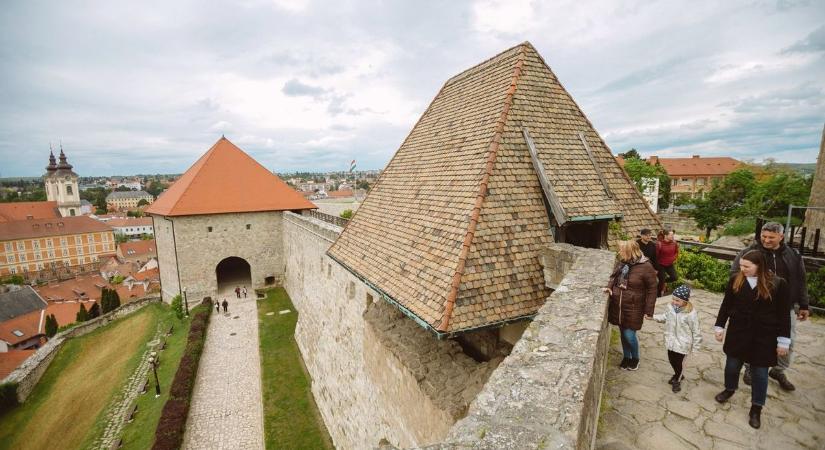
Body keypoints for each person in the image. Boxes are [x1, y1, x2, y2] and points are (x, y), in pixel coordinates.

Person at [714, 250, 791, 429]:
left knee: (760, 374)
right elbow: (726, 304)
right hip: (738, 331)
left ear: (760, 266)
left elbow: (783, 315)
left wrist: (783, 341)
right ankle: (729, 389)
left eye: (747, 266)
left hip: (764, 336)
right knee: (732, 366)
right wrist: (719, 327)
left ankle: (756, 407)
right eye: (741, 265)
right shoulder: (736, 279)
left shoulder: (778, 284)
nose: (743, 269)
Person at [732, 221, 809, 391]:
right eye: (763, 236)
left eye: (771, 238)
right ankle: (750, 368)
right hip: (757, 306)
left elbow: (801, 280)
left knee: (788, 339)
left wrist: (804, 304)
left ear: (781, 236)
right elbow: (734, 274)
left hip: (785, 306)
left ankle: (778, 370)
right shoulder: (750, 252)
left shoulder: (793, 255)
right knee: (753, 337)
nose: (766, 240)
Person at [604, 239, 658, 371]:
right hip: (619, 305)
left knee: (629, 335)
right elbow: (614, 277)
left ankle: (635, 358)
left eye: (622, 250)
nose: (619, 252)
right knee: (623, 333)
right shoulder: (623, 263)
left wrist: (649, 310)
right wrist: (609, 287)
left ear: (629, 252)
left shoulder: (646, 267)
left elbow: (652, 289)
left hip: (634, 306)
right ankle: (626, 357)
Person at [652, 284, 702, 393]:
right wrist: (653, 317)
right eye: (673, 299)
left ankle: (677, 380)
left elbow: (696, 331)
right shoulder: (670, 308)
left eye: (678, 300)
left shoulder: (690, 314)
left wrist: (696, 348)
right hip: (671, 340)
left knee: (679, 363)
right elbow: (665, 317)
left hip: (683, 343)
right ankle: (678, 374)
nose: (674, 302)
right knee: (671, 360)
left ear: (685, 301)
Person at [656, 230, 679, 296]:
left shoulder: (674, 243)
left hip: (670, 264)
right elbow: (656, 256)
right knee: (661, 280)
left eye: (673, 235)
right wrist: (656, 267)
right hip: (661, 265)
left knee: (675, 277)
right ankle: (658, 295)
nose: (672, 236)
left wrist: (674, 258)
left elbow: (676, 252)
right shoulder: (659, 244)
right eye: (671, 235)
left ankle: (662, 282)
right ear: (666, 236)